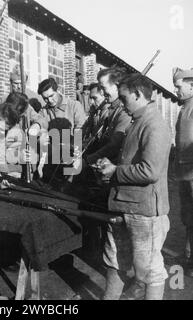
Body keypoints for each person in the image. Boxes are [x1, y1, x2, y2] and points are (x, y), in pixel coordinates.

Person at [97, 74, 171, 300]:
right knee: (115, 263)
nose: (121, 102)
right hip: (123, 207)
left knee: (149, 272)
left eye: (124, 97)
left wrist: (114, 171)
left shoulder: (154, 124)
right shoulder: (136, 121)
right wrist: (110, 167)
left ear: (138, 95)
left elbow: (150, 171)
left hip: (143, 212)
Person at [85, 67, 131, 166]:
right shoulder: (113, 109)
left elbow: (114, 145)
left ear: (117, 86)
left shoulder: (125, 111)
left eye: (103, 88)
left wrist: (88, 159)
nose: (101, 92)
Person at [173, 67, 193, 277]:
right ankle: (189, 255)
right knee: (188, 217)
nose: (176, 91)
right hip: (184, 174)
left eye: (179, 87)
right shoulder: (184, 108)